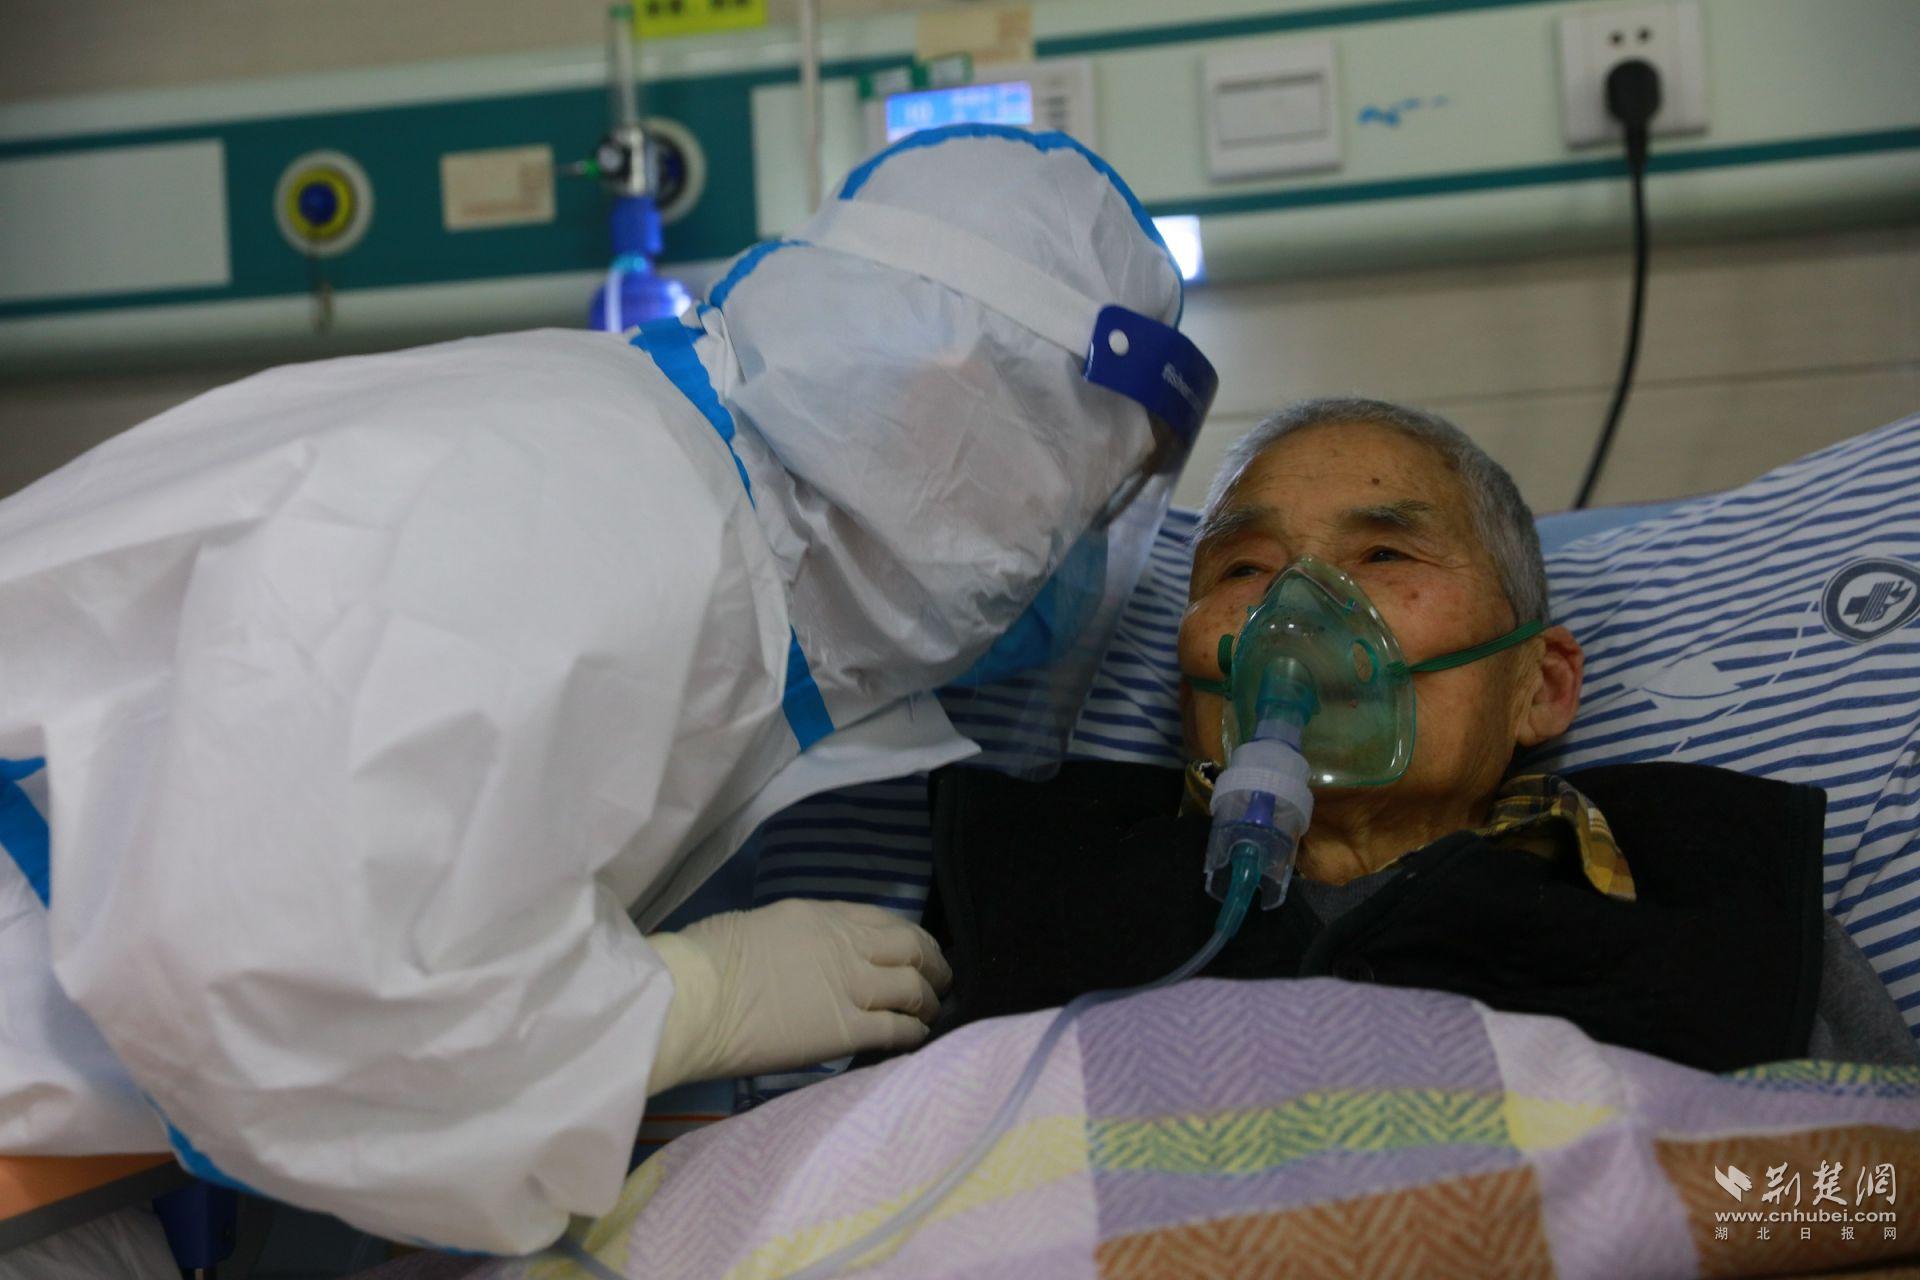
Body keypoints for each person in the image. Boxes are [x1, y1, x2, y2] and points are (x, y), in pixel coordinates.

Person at [0, 126, 1214, 1254]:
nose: (1079, 554)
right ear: (955, 389)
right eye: (1092, 490)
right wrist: (687, 1004)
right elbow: (281, 965)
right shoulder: (614, 515)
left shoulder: (686, 518)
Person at [926, 397, 1918, 1072]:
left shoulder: (1723, 903)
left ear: (1541, 686)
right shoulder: (1027, 877)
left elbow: (1873, 1201)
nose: (1297, 608)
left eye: (1386, 553)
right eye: (1242, 569)